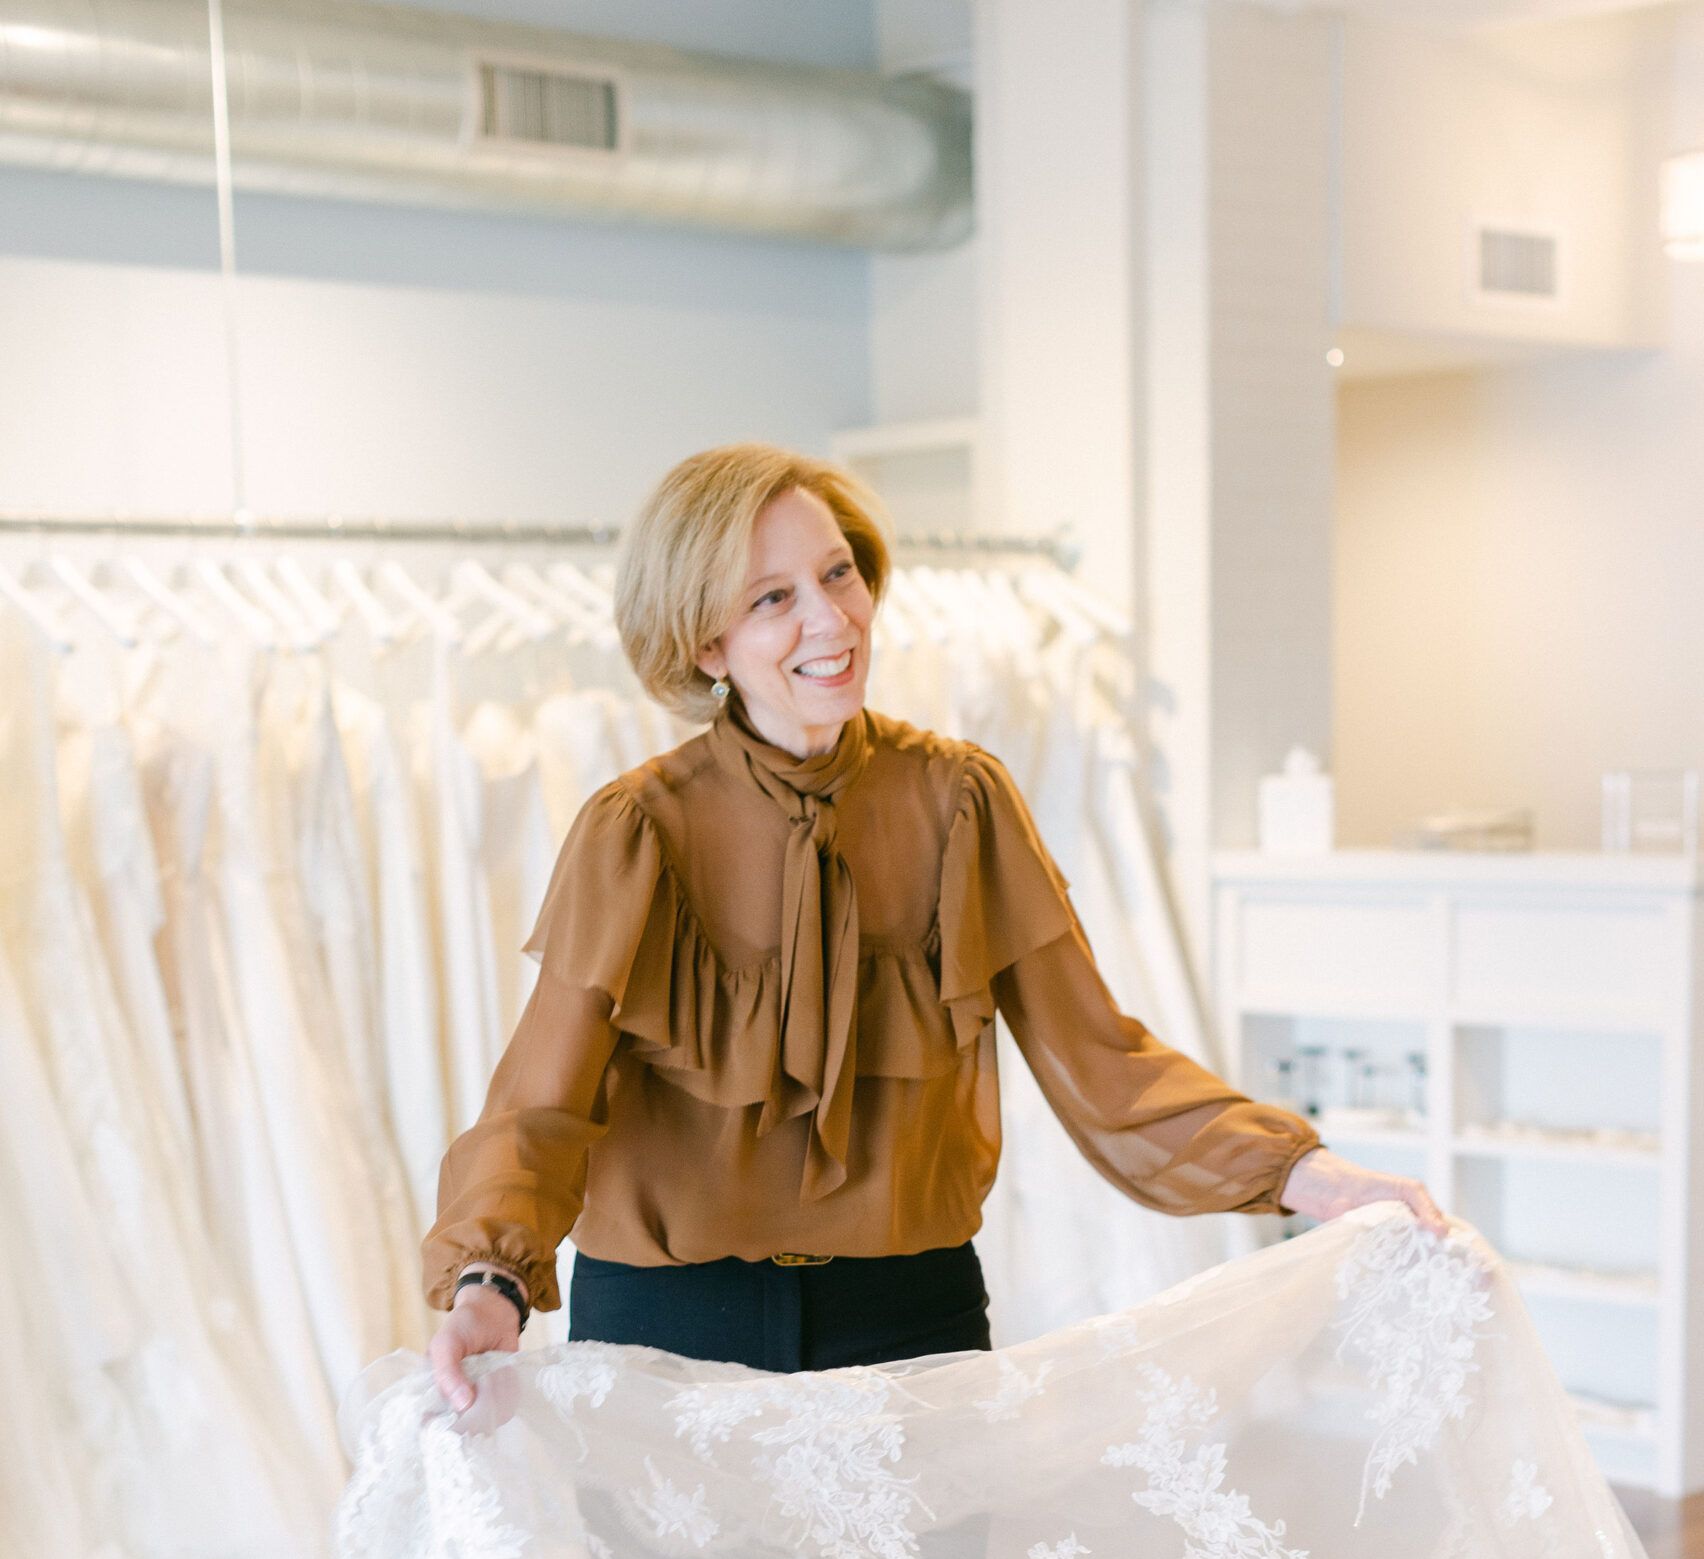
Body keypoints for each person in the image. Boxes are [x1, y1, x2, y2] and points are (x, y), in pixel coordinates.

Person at [423, 442, 1445, 1407]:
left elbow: (1105, 1063)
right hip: (664, 1328)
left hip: (911, 1316)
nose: (831, 620)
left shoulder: (961, 801)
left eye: (838, 574)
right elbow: (539, 1107)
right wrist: (490, 1283)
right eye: (773, 598)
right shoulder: (637, 829)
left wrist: (1304, 1171)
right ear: (706, 641)